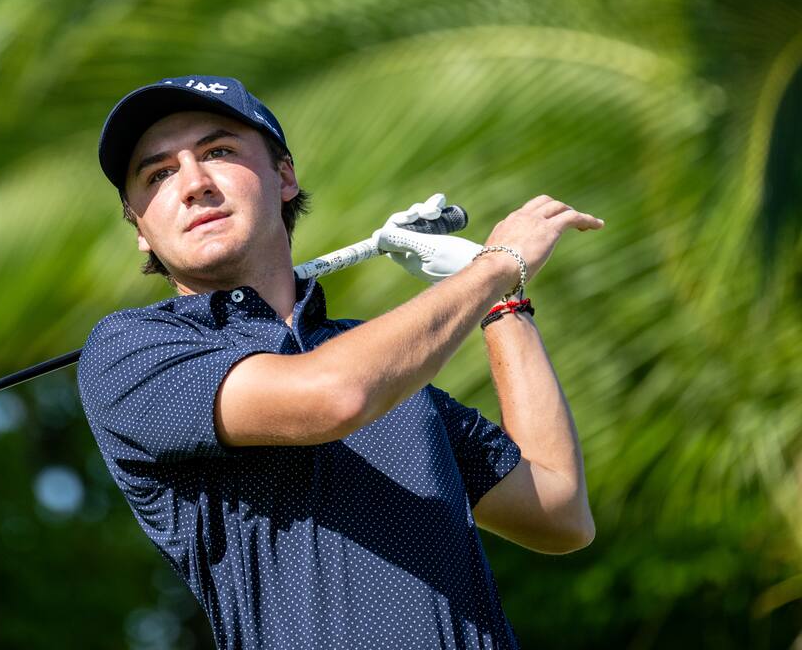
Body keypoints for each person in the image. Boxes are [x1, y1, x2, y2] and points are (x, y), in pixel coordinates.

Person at [77, 75, 603, 649]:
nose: (193, 184)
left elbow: (559, 513)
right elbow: (334, 396)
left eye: (218, 152)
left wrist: (502, 305)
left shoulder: (391, 373)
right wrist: (496, 266)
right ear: (140, 229)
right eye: (159, 175)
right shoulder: (131, 350)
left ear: (283, 177)